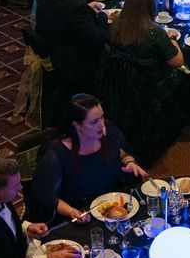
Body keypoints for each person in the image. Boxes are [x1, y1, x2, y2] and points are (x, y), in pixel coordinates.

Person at [99, 0, 185, 161]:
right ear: (151, 5)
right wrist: (173, 39)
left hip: (119, 87)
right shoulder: (154, 33)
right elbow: (178, 61)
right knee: (185, 75)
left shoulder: (115, 25)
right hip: (149, 89)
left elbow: (108, 49)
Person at [32, 94, 148, 222]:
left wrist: (130, 162)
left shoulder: (109, 131)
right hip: (83, 214)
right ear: (76, 124)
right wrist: (71, 211)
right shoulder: (57, 154)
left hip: (117, 206)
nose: (101, 124)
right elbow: (45, 194)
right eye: (93, 122)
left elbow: (124, 154)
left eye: (102, 117)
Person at [34, 0, 108, 128]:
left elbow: (67, 19)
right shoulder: (75, 7)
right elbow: (97, 41)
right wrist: (101, 16)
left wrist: (87, 9)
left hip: (54, 47)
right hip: (73, 62)